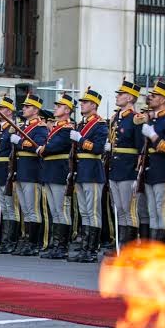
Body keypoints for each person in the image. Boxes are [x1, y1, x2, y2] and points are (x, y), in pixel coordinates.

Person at [137, 79, 165, 244]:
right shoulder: (154, 120)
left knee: (161, 212)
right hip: (150, 171)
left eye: (154, 96)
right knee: (152, 212)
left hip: (163, 171)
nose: (151, 98)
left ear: (163, 99)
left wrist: (153, 136)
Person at [69, 87, 108, 262]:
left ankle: (92, 250)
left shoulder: (100, 124)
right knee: (84, 212)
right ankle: (85, 248)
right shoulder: (81, 124)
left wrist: (81, 140)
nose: (82, 105)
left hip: (92, 171)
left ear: (93, 105)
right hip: (81, 170)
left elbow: (98, 148)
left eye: (85, 103)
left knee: (93, 212)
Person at [106, 78, 143, 252]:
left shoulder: (136, 119)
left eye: (121, 94)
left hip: (129, 169)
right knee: (119, 209)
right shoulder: (115, 118)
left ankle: (131, 247)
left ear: (130, 98)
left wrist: (137, 173)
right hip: (115, 169)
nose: (118, 97)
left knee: (129, 210)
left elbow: (141, 148)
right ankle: (121, 246)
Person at [9, 94, 49, 256]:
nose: (23, 109)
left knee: (32, 210)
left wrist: (18, 142)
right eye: (24, 106)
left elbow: (38, 146)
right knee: (25, 209)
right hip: (22, 172)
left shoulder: (40, 127)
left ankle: (33, 243)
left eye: (27, 106)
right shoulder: (24, 127)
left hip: (32, 173)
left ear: (35, 110)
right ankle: (27, 240)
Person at [37, 93, 74, 259]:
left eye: (58, 106)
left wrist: (43, 148)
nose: (55, 108)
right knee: (54, 210)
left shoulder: (67, 129)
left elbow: (54, 146)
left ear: (67, 110)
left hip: (60, 172)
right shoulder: (57, 128)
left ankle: (62, 246)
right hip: (50, 172)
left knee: (62, 209)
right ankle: (56, 244)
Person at [0, 97, 20, 253]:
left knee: (11, 207)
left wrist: (12, 171)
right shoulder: (0, 128)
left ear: (9, 111)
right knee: (4, 206)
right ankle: (5, 241)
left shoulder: (13, 127)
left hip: (7, 170)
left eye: (2, 109)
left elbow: (13, 152)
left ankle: (11, 241)